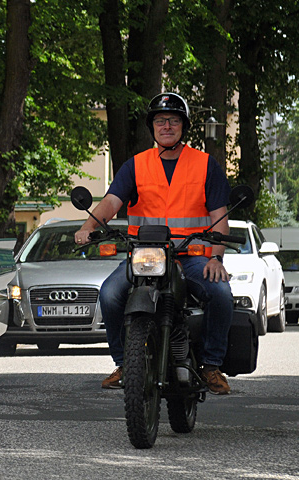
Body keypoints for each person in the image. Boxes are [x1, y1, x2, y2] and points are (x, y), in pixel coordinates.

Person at [74, 92, 234, 395]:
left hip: (191, 254)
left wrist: (216, 258)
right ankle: (124, 364)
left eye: (174, 120)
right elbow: (111, 202)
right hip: (144, 255)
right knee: (108, 294)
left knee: (221, 293)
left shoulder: (204, 164)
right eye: (161, 121)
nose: (167, 126)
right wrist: (87, 226)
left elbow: (219, 216)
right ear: (153, 127)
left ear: (183, 126)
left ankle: (212, 365)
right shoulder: (136, 165)